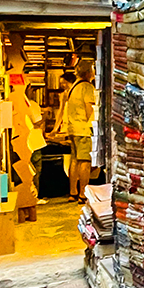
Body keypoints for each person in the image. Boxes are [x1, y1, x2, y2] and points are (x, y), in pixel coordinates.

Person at [64, 59, 95, 203]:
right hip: (83, 128)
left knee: (74, 160)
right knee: (85, 161)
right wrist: (94, 125)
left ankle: (72, 192)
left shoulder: (73, 87)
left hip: (72, 127)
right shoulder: (87, 87)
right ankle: (83, 193)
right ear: (89, 72)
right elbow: (90, 108)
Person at [25, 84, 47, 204]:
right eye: (32, 89)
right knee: (36, 170)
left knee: (26, 170)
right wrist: (46, 115)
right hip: (35, 141)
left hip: (24, 141)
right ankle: (35, 196)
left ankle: (29, 195)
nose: (33, 92)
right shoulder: (32, 104)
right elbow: (37, 122)